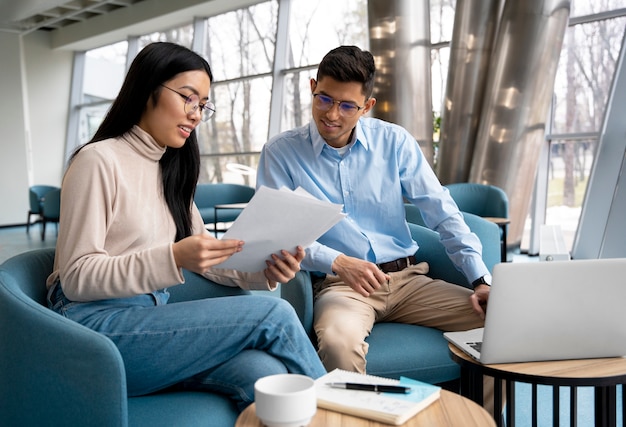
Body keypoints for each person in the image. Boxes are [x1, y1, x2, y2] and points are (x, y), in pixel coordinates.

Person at [46, 41, 325, 411]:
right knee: (273, 314)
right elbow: (77, 277)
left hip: (149, 321)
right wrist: (173, 257)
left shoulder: (169, 170)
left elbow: (206, 254)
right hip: (93, 329)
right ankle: (345, 414)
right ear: (149, 90)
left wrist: (265, 269)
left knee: (263, 373)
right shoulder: (98, 161)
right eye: (188, 98)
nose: (196, 114)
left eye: (203, 105)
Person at [257, 44, 491, 386]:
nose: (332, 114)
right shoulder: (281, 154)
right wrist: (339, 262)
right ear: (312, 88)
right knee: (339, 345)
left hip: (408, 281)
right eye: (324, 99)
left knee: (501, 322)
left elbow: (441, 211)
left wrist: (479, 279)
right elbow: (280, 234)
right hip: (342, 286)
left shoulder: (394, 142)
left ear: (366, 106)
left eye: (347, 105)